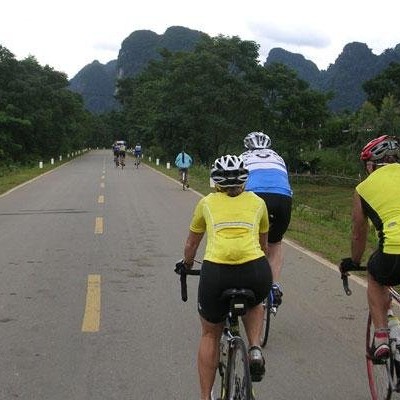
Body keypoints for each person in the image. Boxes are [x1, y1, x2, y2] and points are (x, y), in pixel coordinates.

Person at [181, 154, 272, 400]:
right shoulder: (258, 202)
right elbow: (264, 246)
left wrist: (187, 264)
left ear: (216, 182)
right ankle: (254, 348)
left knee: (210, 333)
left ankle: (205, 397)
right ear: (244, 180)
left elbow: (191, 244)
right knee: (256, 300)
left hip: (217, 273)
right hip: (254, 269)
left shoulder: (206, 203)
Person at [340, 134, 400, 360]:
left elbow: (358, 233)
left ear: (372, 163)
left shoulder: (363, 188)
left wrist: (354, 261)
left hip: (393, 251)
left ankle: (382, 337)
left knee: (376, 276)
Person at [241, 131, 293, 306]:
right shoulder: (278, 158)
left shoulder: (243, 157)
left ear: (247, 146)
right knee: (275, 243)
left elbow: (237, 185)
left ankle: (246, 279)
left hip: (254, 195)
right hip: (282, 198)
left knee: (247, 238)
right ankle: (274, 286)